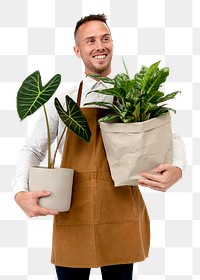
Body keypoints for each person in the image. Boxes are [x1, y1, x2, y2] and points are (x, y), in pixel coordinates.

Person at [13, 14, 186, 280]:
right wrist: (19, 192)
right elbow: (32, 149)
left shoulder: (131, 95)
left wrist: (177, 168)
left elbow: (169, 136)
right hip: (73, 216)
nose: (99, 46)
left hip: (120, 214)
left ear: (113, 44)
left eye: (105, 39)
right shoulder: (64, 100)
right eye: (90, 40)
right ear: (77, 50)